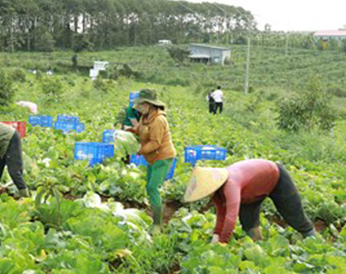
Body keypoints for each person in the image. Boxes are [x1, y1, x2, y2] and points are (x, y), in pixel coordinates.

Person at [182, 159, 316, 244]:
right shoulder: (216, 193)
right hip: (252, 189)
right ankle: (258, 245)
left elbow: (231, 217)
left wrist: (223, 242)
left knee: (294, 215)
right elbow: (221, 214)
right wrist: (216, 235)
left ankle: (313, 241)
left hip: (276, 177)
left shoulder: (230, 184)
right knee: (248, 222)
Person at [126, 89, 176, 230]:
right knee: (149, 187)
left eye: (141, 104)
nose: (139, 107)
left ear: (149, 105)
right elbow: (140, 130)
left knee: (153, 188)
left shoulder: (159, 120)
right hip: (152, 158)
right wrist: (131, 131)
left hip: (163, 157)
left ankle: (158, 224)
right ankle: (156, 214)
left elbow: (155, 143)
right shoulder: (145, 117)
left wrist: (139, 151)